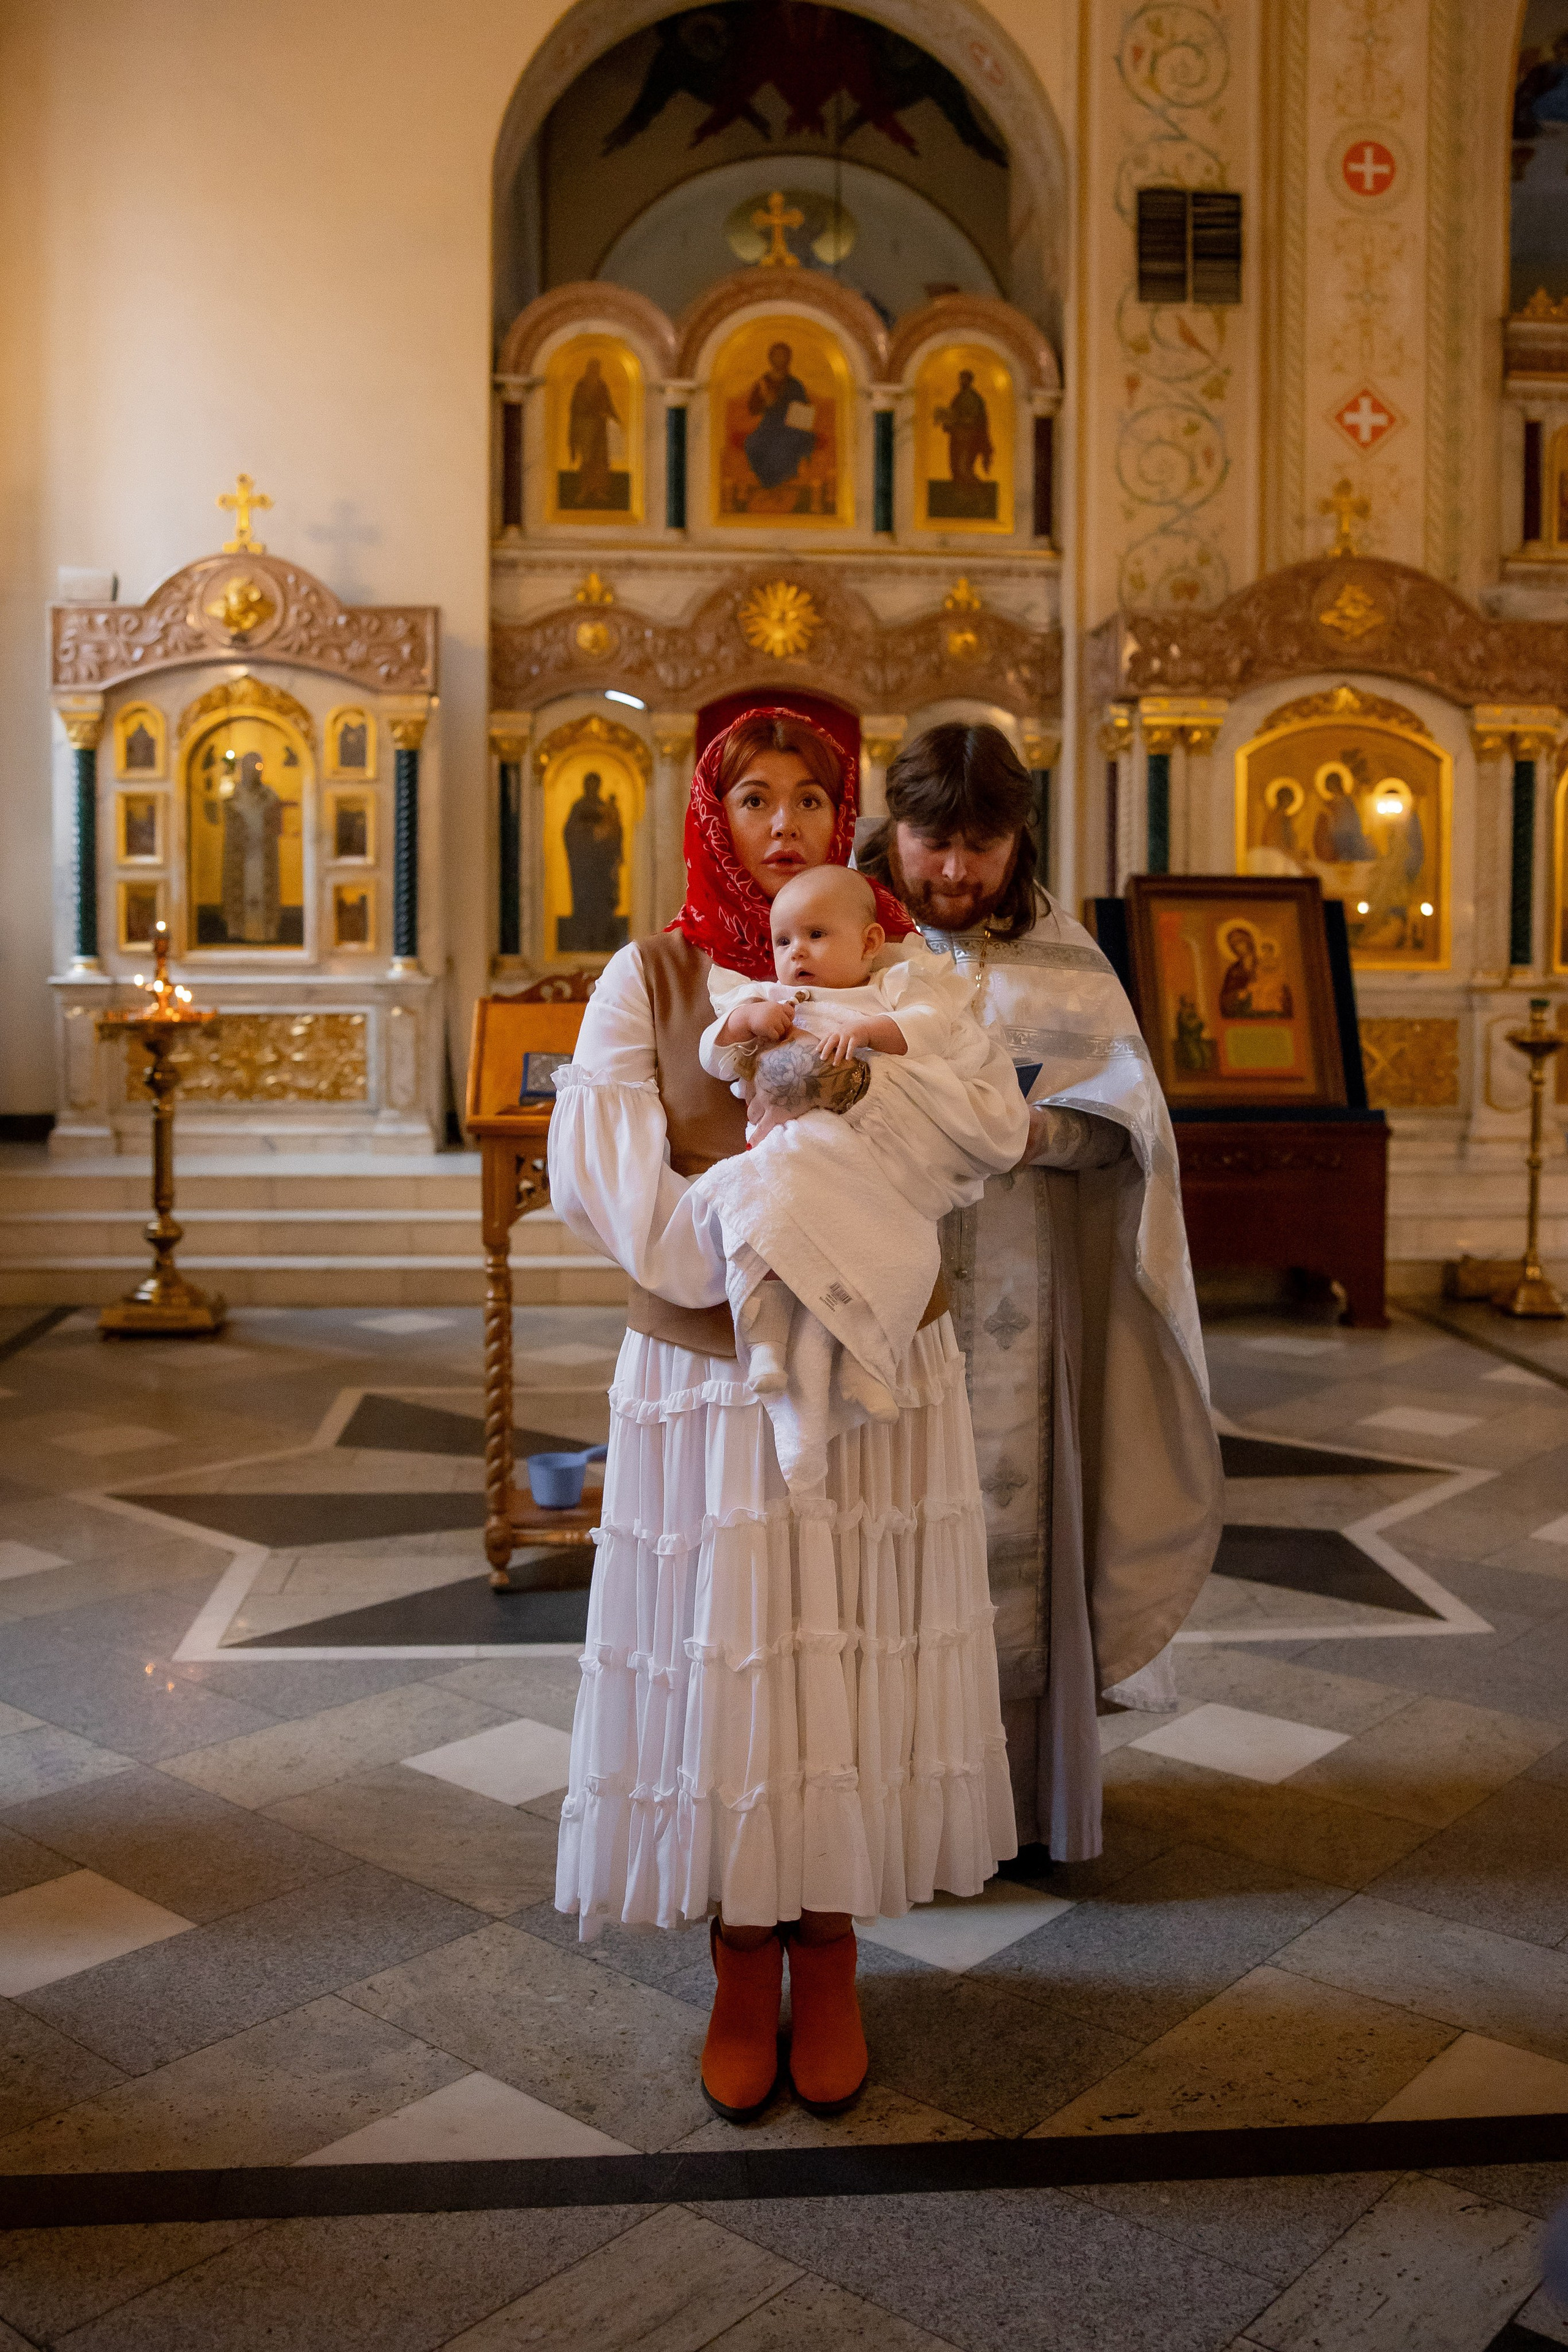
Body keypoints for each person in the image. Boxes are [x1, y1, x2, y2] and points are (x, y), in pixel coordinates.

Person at [548, 709, 1022, 2127]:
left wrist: (847, 1163)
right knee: (732, 1659)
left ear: (844, 819)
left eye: (810, 798)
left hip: (878, 1364)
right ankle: (738, 1957)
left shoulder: (915, 975)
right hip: (708, 1371)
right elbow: (618, 1196)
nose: (782, 824)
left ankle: (830, 1951)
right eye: (750, 797)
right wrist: (760, 1238)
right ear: (709, 811)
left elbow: (969, 1143)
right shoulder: (650, 976)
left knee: (851, 1652)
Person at [858, 722, 1222, 1868]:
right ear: (892, 827)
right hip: (877, 1300)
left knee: (1010, 1542)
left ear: (1021, 837)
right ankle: (866, 1813)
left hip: (1021, 1304)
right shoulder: (842, 937)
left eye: (985, 845)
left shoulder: (1062, 958)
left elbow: (1128, 1124)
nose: (957, 872)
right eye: (933, 843)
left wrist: (1023, 1128)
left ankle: (1011, 1810)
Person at [695, 862, 1025, 1458]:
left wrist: (878, 1029)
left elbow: (936, 1028)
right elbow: (713, 1054)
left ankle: (864, 1363)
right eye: (782, 940)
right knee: (766, 1224)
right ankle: (766, 1337)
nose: (796, 952)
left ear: (870, 942)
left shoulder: (890, 989)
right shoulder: (774, 1000)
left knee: (900, 1252)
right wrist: (745, 1020)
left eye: (816, 935)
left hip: (864, 1171)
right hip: (794, 1156)